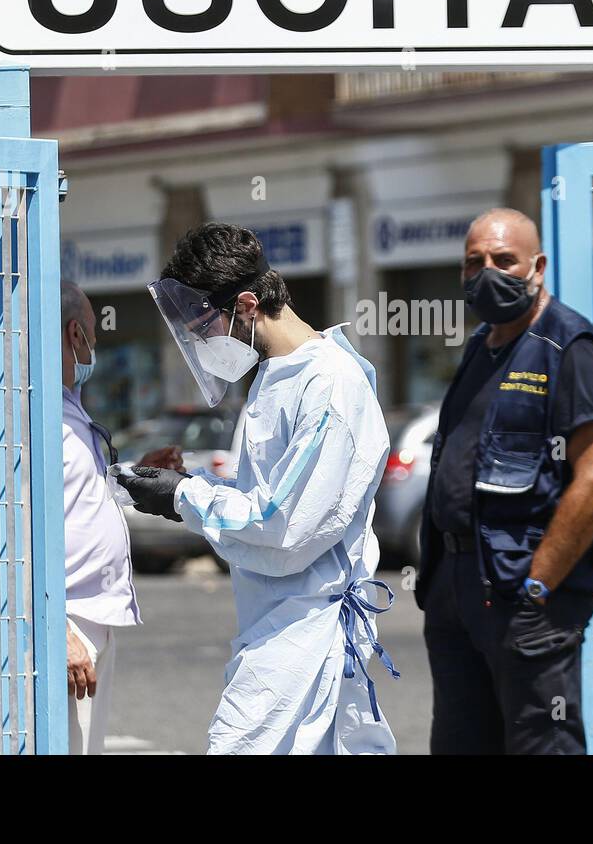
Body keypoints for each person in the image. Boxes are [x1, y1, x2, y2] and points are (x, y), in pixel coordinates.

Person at [117, 223, 396, 755]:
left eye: (206, 325)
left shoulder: (329, 384)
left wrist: (184, 497)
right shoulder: (276, 373)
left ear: (246, 304)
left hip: (305, 630)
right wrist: (192, 486)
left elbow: (284, 523)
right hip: (278, 623)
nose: (203, 341)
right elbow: (267, 493)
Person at [417, 208, 593, 754]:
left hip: (524, 594)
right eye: (473, 262)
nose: (487, 273)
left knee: (540, 743)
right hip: (458, 588)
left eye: (503, 260)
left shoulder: (570, 345)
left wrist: (538, 587)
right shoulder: (481, 345)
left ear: (538, 266)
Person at [58, 280, 184, 754]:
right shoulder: (19, 416)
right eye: (93, 331)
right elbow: (4, 537)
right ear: (76, 334)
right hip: (66, 623)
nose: (97, 341)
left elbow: (79, 495)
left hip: (92, 619)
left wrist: (135, 473)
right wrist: (56, 630)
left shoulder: (67, 408)